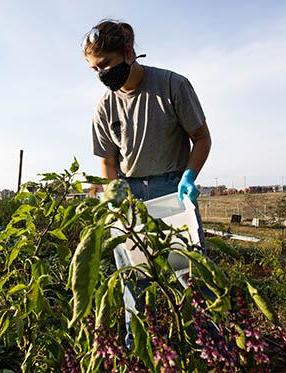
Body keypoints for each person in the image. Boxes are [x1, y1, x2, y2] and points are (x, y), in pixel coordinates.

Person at [83, 19, 212, 348]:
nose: (102, 74)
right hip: (130, 197)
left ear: (128, 52)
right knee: (134, 283)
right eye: (95, 68)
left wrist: (189, 177)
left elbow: (201, 138)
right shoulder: (105, 107)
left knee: (191, 275)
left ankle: (212, 349)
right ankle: (137, 351)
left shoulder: (171, 86)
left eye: (107, 64)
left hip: (172, 191)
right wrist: (115, 197)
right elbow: (108, 162)